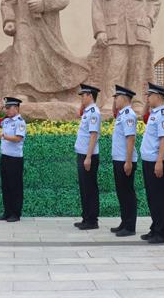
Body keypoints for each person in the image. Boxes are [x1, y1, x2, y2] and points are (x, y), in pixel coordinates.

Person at [0, 0, 88, 99]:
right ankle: (23, 91)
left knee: (51, 56)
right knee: (24, 53)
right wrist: (9, 20)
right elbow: (7, 0)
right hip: (24, 23)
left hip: (48, 25)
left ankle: (53, 92)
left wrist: (44, 3)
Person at [91, 0, 161, 105]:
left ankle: (137, 102)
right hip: (114, 33)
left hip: (139, 33)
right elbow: (97, 8)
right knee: (115, 69)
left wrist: (149, 19)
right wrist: (100, 31)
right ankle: (112, 101)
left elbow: (155, 2)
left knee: (137, 70)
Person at [139, 82, 164, 244]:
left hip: (156, 163)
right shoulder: (154, 113)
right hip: (148, 162)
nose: (147, 98)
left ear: (158, 96)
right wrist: (147, 104)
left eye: (149, 95)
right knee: (152, 198)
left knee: (160, 198)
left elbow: (163, 139)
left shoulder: (163, 115)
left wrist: (159, 162)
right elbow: (142, 117)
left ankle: (163, 233)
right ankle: (155, 228)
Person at [110, 85, 138, 237]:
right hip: (118, 159)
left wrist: (128, 161)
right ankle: (124, 222)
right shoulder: (122, 114)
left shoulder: (129, 115)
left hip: (125, 161)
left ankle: (130, 226)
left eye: (117, 97)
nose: (115, 99)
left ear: (125, 98)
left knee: (127, 193)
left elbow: (130, 139)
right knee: (121, 192)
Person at [0, 97, 26, 222]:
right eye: (5, 108)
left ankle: (15, 214)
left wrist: (3, 136)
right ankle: (7, 212)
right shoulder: (6, 121)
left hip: (15, 159)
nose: (6, 110)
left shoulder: (20, 122)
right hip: (5, 157)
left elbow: (18, 138)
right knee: (5, 186)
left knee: (15, 187)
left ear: (16, 108)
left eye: (8, 108)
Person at [73, 83, 102, 230]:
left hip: (88, 156)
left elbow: (93, 136)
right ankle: (86, 218)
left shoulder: (94, 113)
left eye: (83, 96)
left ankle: (92, 220)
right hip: (83, 154)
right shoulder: (87, 111)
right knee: (84, 188)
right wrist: (82, 107)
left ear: (90, 95)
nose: (81, 99)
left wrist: (88, 157)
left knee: (90, 188)